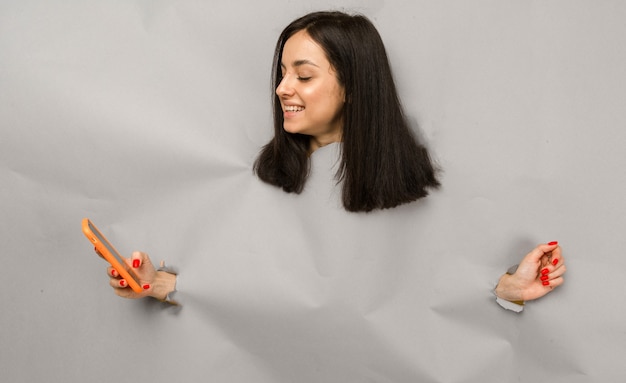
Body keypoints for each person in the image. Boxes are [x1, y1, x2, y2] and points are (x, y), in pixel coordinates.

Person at [105, 11, 565, 311]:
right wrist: (157, 283)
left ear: (353, 87)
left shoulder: (406, 188)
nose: (283, 88)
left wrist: (506, 290)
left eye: (303, 75)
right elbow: (247, 285)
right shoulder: (260, 185)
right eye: (282, 74)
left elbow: (418, 290)